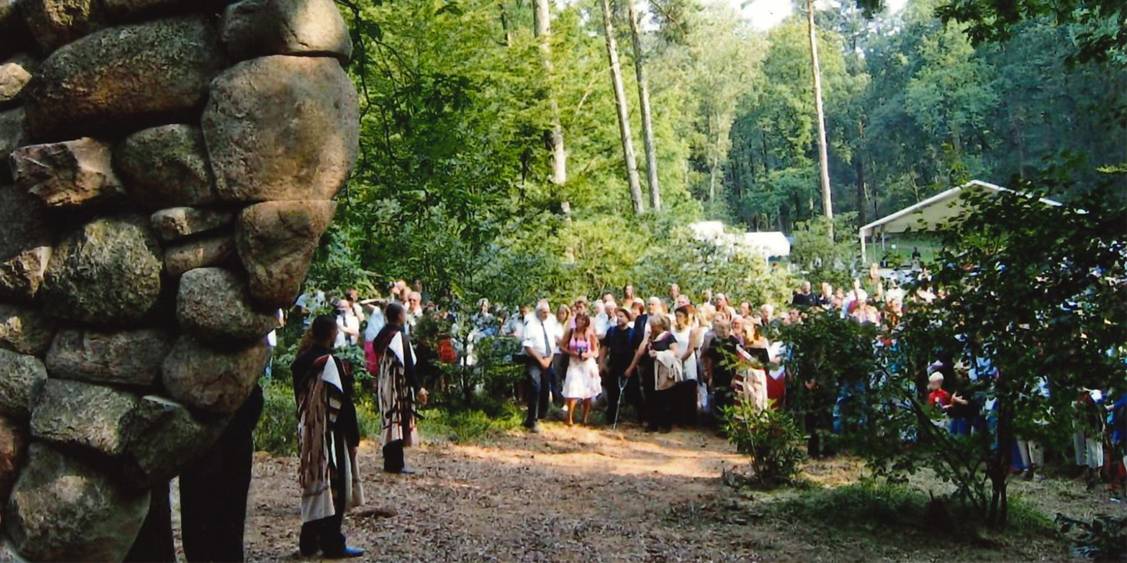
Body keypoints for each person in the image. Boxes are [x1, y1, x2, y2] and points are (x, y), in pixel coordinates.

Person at [292, 316, 364, 559]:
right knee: (336, 488)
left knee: (314, 484)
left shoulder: (300, 362)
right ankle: (333, 543)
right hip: (330, 434)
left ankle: (309, 542)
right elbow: (344, 405)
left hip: (308, 432)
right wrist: (353, 438)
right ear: (333, 334)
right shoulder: (331, 364)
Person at [373, 303, 428, 475]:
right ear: (399, 316)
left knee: (388, 419)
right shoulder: (399, 337)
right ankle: (396, 463)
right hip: (397, 384)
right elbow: (409, 365)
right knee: (396, 419)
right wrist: (418, 388)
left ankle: (389, 460)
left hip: (384, 382)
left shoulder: (382, 334)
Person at [522, 300, 557, 432]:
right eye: (543, 312)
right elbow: (527, 345)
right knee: (534, 386)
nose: (546, 314)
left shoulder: (550, 321)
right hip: (534, 358)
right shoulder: (530, 322)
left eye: (547, 312)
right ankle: (532, 419)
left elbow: (553, 343)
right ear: (538, 312)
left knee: (545, 387)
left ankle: (543, 414)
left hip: (548, 358)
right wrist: (541, 360)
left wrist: (549, 359)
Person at [562, 312, 601, 426]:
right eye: (579, 319)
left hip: (587, 364)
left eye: (583, 320)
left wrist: (588, 355)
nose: (581, 322)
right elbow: (562, 346)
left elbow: (595, 350)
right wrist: (572, 353)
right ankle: (569, 417)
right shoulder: (570, 332)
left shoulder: (590, 334)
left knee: (587, 391)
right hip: (574, 363)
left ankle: (585, 417)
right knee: (572, 389)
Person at [601, 308, 639, 425]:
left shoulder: (633, 333)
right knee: (612, 394)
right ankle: (611, 419)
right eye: (618, 316)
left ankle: (641, 418)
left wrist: (631, 368)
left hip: (628, 367)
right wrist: (601, 363)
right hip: (614, 367)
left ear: (628, 318)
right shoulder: (611, 331)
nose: (619, 318)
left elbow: (637, 353)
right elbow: (605, 348)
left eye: (622, 316)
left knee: (635, 394)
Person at [644, 314, 681, 432]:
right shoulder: (651, 337)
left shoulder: (669, 337)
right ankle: (652, 423)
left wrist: (659, 354)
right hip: (650, 369)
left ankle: (665, 424)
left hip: (663, 371)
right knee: (650, 396)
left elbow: (675, 352)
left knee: (664, 397)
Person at [673, 304, 702, 425]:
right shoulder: (673, 331)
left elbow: (690, 349)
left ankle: (691, 419)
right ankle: (679, 417)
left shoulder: (691, 331)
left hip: (687, 361)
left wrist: (681, 360)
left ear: (685, 317)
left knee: (689, 389)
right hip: (676, 361)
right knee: (678, 390)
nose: (678, 318)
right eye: (676, 316)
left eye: (680, 316)